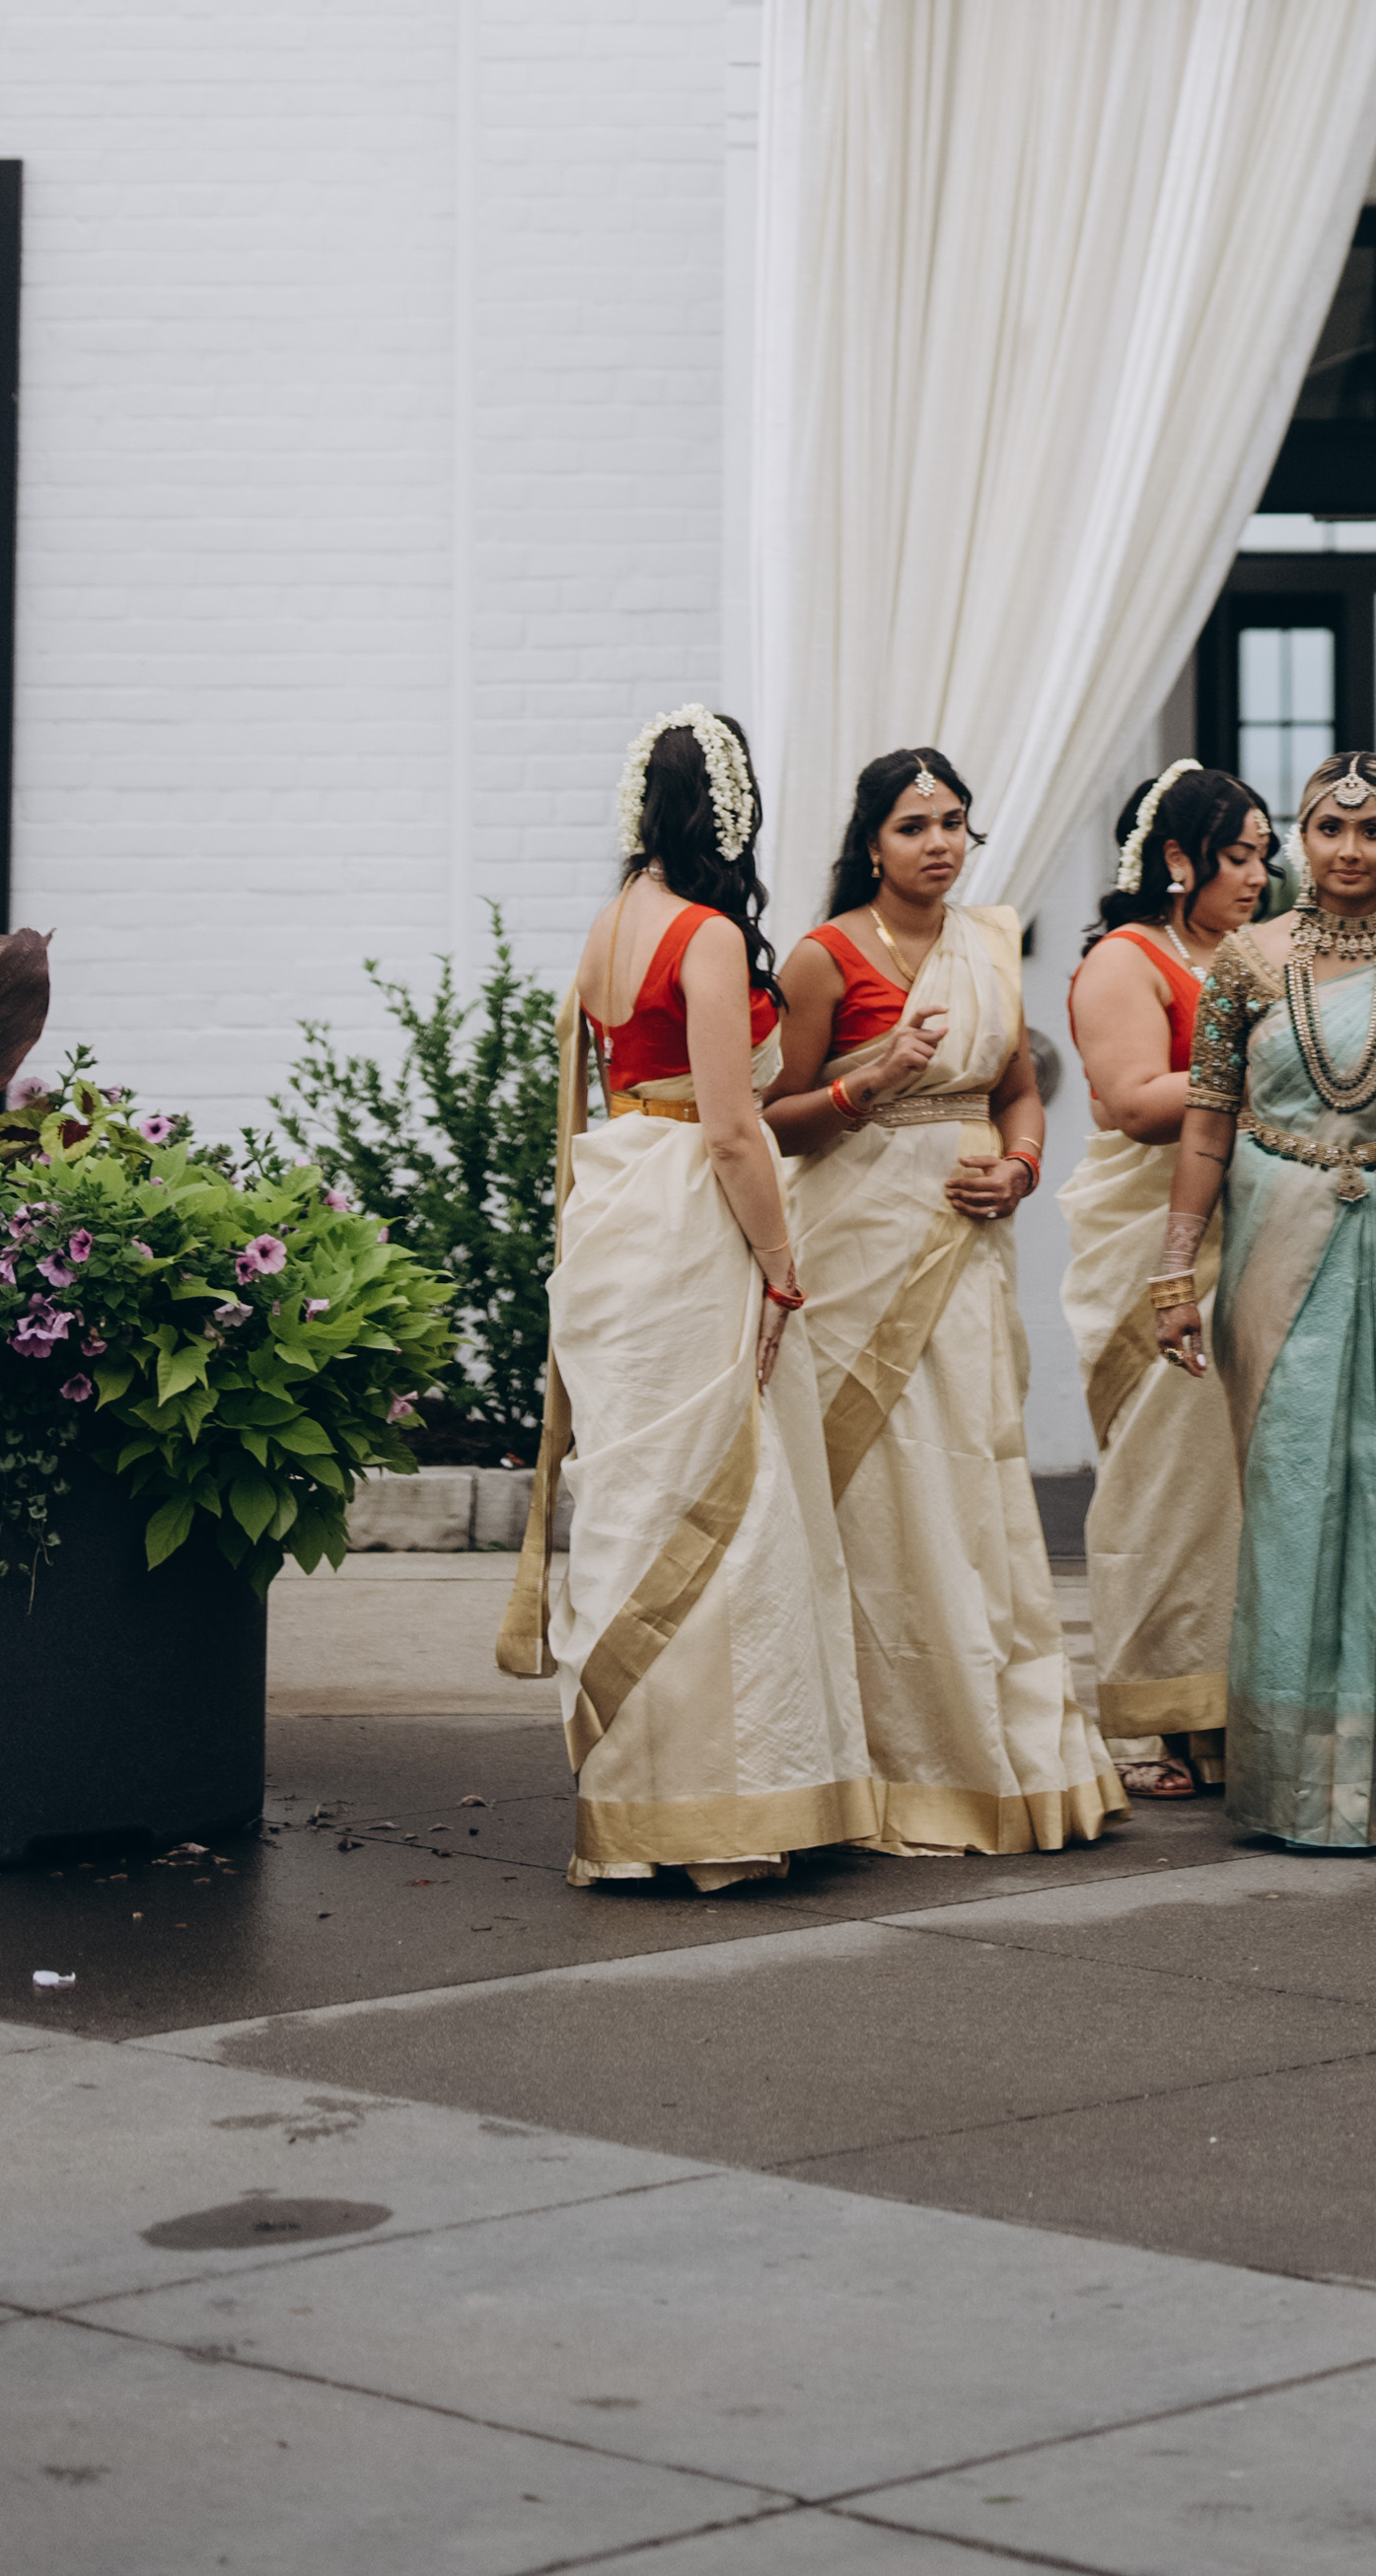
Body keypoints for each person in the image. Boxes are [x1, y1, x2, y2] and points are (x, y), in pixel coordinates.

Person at [498, 704, 882, 1889]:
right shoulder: (706, 935)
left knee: (641, 1494)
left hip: (616, 1206)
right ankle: (721, 1811)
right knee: (728, 1493)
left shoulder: (610, 923)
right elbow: (729, 1129)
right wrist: (778, 1261)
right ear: (731, 810)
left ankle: (636, 1802)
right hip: (687, 1217)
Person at [1155, 748, 1376, 1853]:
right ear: (1302, 841)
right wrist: (1174, 1271)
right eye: (1328, 828)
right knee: (1292, 1485)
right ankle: (1285, 1781)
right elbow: (1206, 1127)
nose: (1349, 851)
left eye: (1372, 831)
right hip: (1277, 1240)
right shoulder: (1244, 964)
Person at [767, 742, 1122, 1859]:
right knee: (881, 1497)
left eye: (954, 823)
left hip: (966, 1252)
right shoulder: (822, 958)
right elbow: (774, 1118)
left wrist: (1019, 1169)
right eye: (914, 826)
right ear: (871, 843)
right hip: (855, 1257)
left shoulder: (986, 945)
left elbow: (1018, 1093)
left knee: (972, 1479)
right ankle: (877, 1762)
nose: (939, 844)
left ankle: (991, 1752)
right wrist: (870, 1082)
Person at [1061, 757, 1273, 1800]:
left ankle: (1220, 1713)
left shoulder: (1255, 956)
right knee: (1161, 1482)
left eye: (1266, 856)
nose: (1259, 876)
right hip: (1154, 1234)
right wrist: (1280, 1069)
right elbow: (1138, 1102)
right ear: (1178, 858)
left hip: (1256, 1231)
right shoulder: (1125, 960)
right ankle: (1147, 1720)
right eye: (1239, 855)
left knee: (1235, 1488)